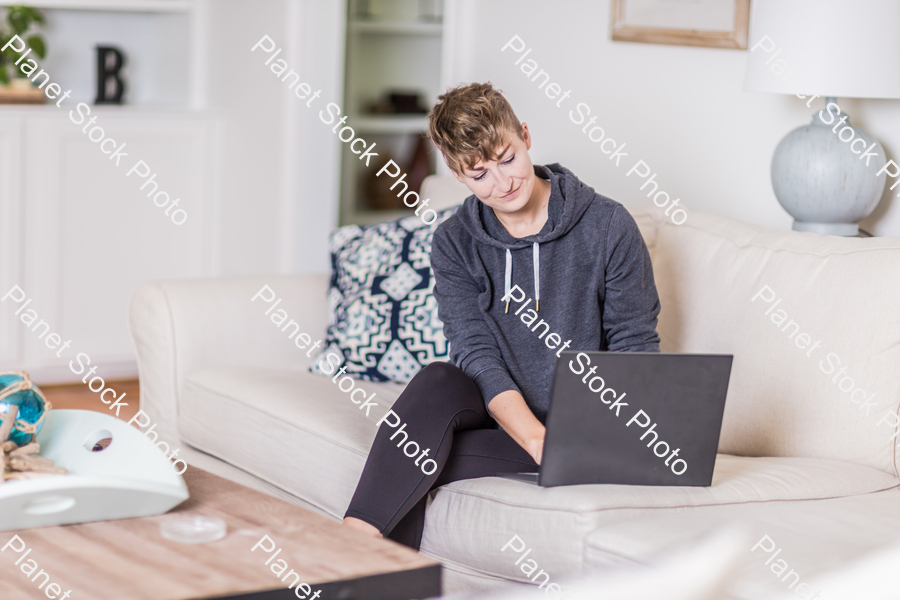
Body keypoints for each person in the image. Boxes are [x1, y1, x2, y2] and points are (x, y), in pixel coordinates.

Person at [342, 82, 661, 549]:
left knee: (416, 458)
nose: (503, 183)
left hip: (581, 427)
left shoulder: (608, 226)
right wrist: (535, 438)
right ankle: (352, 548)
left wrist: (612, 435)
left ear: (525, 135)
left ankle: (354, 560)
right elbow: (475, 352)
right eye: (479, 174)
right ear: (457, 176)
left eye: (507, 158)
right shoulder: (453, 241)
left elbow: (635, 346)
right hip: (504, 420)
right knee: (437, 379)